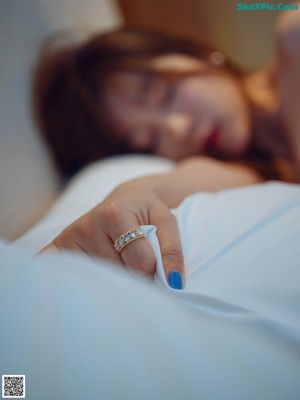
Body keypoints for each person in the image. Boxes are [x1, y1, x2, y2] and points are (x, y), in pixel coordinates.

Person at [35, 6, 300, 288]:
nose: (177, 128)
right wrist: (129, 199)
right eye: (151, 140)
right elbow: (177, 182)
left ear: (197, 55)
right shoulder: (247, 167)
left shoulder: (293, 36)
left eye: (164, 94)